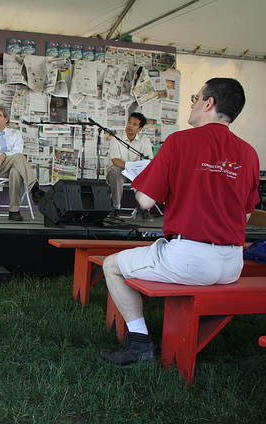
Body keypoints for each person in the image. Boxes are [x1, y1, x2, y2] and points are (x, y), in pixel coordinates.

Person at [99, 78, 259, 367]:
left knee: (111, 266)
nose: (193, 103)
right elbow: (245, 215)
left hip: (190, 260)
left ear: (209, 103)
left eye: (196, 98)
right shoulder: (249, 153)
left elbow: (146, 201)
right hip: (231, 263)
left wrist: (141, 180)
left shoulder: (180, 141)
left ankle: (139, 344)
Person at [0, 105, 46, 221]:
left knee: (16, 171)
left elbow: (18, 151)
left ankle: (14, 211)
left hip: (13, 167)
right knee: (18, 158)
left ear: (6, 119)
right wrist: (5, 155)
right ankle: (35, 189)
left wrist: (4, 154)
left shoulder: (15, 134)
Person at [106, 112, 155, 221]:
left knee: (149, 174)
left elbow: (149, 160)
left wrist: (136, 170)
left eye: (134, 124)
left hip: (137, 174)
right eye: (129, 122)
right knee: (115, 171)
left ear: (140, 128)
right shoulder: (117, 137)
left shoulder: (144, 140)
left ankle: (144, 208)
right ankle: (116, 208)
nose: (130, 126)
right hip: (121, 172)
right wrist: (130, 168)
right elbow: (115, 161)